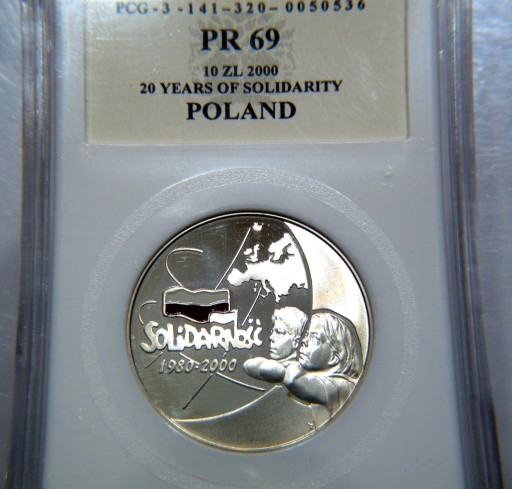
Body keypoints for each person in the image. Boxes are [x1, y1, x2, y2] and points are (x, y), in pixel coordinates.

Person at [283, 310, 363, 416]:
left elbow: (292, 379)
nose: (304, 341)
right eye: (306, 335)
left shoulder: (341, 386)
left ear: (334, 357)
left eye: (314, 338)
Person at [243, 307, 308, 381]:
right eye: (272, 331)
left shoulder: (298, 372)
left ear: (295, 342)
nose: (271, 337)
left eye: (279, 332)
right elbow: (248, 365)